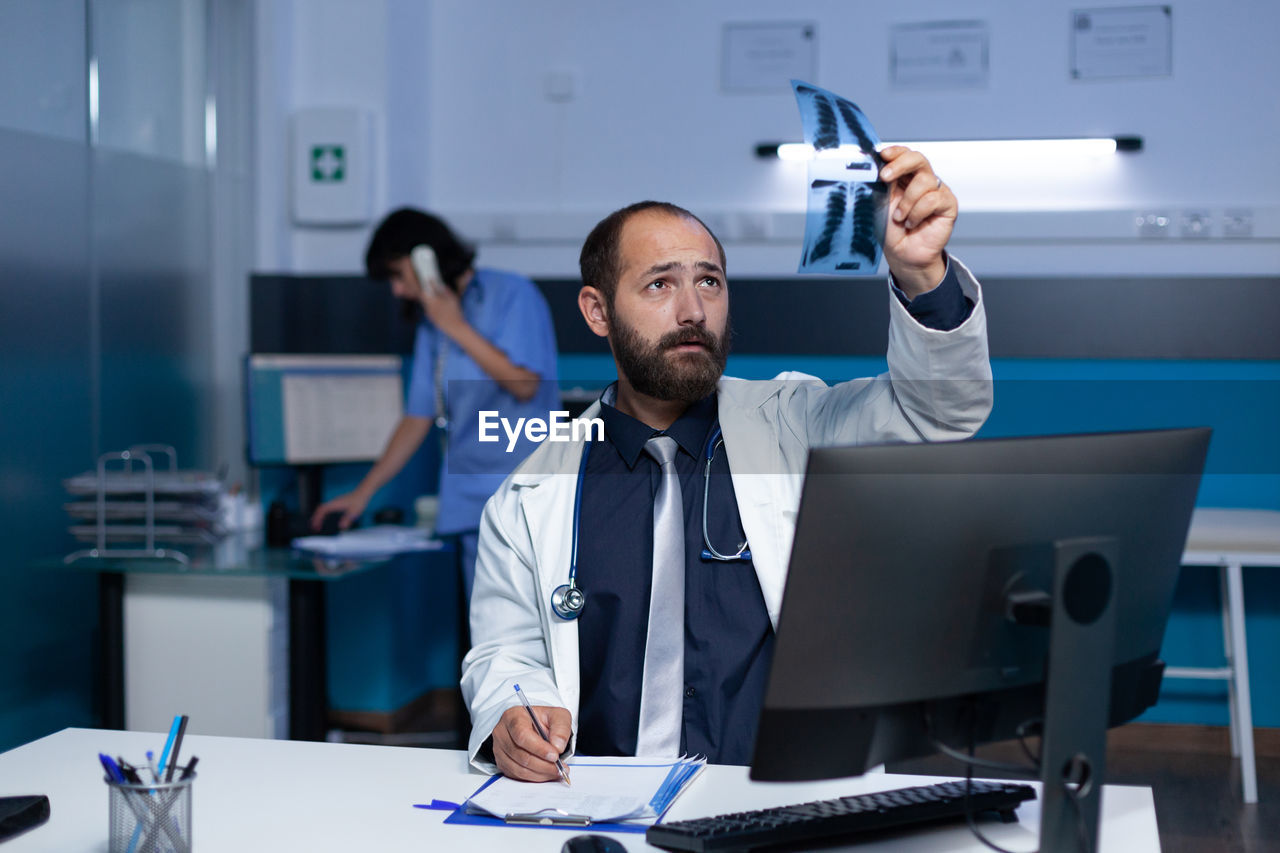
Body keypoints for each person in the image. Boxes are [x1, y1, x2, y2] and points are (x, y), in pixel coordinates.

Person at [460, 147, 993, 779]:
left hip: (774, 796)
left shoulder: (796, 420)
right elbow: (506, 651)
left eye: (708, 281)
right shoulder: (530, 493)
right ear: (597, 311)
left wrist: (921, 274)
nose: (692, 311)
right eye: (660, 284)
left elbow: (935, 414)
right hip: (602, 804)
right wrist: (515, 711)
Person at [310, 208, 560, 600]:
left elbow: (525, 384)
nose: (397, 290)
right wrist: (363, 494)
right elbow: (418, 416)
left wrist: (454, 325)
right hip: (469, 503)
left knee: (535, 636)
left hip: (526, 500)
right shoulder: (432, 325)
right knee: (488, 638)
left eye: (397, 274)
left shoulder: (512, 295)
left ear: (424, 257)